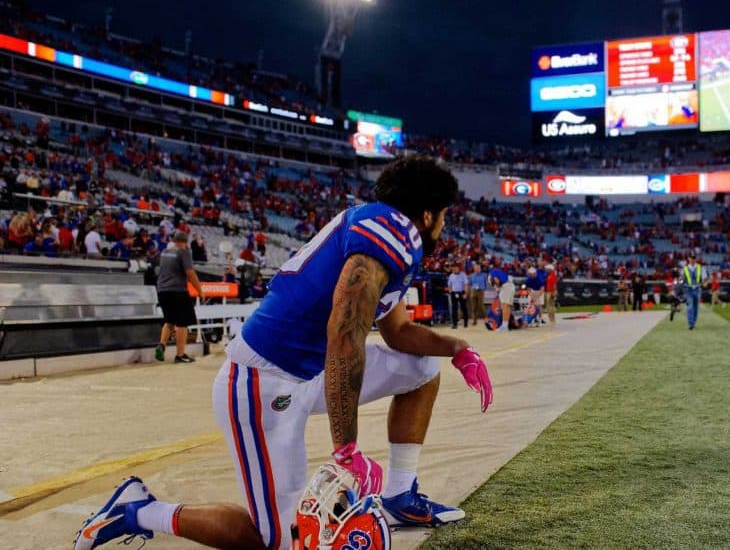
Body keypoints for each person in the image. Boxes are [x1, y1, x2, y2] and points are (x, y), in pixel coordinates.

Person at [76, 157, 492, 550]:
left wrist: (458, 348)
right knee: (273, 539)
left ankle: (399, 493)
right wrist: (346, 447)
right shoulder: (393, 231)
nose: (444, 224)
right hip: (264, 382)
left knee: (421, 367)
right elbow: (344, 336)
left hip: (308, 373)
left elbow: (398, 333)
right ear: (427, 213)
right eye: (443, 215)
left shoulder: (386, 233)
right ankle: (139, 511)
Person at [154, 231, 204, 364]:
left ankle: (162, 344)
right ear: (185, 242)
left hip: (162, 290)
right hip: (178, 290)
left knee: (169, 321)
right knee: (182, 323)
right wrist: (200, 290)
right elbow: (190, 273)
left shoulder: (164, 252)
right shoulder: (183, 252)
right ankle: (180, 354)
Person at [682, 254, 704, 330]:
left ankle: (693, 322)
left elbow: (704, 278)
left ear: (696, 259)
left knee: (696, 307)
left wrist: (702, 283)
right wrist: (684, 285)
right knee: (690, 306)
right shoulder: (685, 268)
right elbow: (682, 280)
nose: (692, 260)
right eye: (691, 258)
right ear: (688, 259)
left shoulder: (700, 267)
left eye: (694, 258)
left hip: (697, 289)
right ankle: (690, 324)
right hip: (688, 290)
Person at [447, 263, 469, 329]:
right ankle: (454, 324)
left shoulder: (463, 275)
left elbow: (466, 284)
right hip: (454, 293)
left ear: (458, 268)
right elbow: (449, 284)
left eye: (456, 268)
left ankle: (465, 322)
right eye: (453, 268)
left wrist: (466, 293)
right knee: (454, 309)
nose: (454, 269)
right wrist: (450, 291)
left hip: (462, 292)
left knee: (464, 308)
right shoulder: (451, 276)